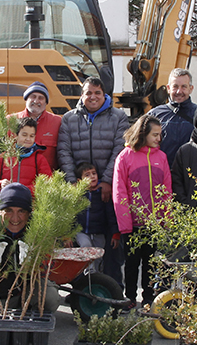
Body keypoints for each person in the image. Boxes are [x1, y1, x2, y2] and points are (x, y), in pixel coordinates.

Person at [57, 77, 129, 284]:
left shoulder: (118, 117)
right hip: (79, 193)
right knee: (81, 247)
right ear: (82, 95)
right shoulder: (69, 119)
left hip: (108, 192)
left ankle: (114, 289)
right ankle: (81, 291)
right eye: (88, 92)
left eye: (97, 92)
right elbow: (64, 151)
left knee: (112, 244)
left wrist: (106, 180)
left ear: (104, 94)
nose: (93, 97)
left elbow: (119, 150)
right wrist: (73, 183)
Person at [113, 115, 172, 305]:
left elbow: (166, 190)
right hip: (132, 225)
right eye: (155, 135)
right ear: (143, 134)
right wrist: (125, 224)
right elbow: (119, 192)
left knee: (150, 264)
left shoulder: (161, 157)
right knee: (131, 265)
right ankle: (130, 297)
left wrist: (166, 219)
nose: (158, 139)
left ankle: (148, 299)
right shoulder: (125, 156)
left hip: (154, 224)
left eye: (160, 135)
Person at [0, 183, 60, 313]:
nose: (15, 218)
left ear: (29, 213)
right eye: (8, 210)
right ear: (0, 211)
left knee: (49, 298)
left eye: (21, 211)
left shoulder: (39, 230)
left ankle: (30, 311)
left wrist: (34, 264)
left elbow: (49, 265)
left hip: (28, 290)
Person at [73, 162, 119, 273]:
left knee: (98, 256)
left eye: (94, 173)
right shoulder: (77, 195)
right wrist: (67, 236)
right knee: (86, 246)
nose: (92, 176)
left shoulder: (102, 194)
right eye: (87, 175)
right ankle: (88, 273)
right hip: (81, 232)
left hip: (98, 232)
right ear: (80, 180)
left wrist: (115, 233)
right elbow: (70, 215)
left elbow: (111, 215)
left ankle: (96, 278)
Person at [0, 117, 53, 191]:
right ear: (16, 135)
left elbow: (47, 183)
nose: (28, 139)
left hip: (30, 200)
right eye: (24, 135)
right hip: (6, 200)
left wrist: (22, 190)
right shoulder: (2, 158)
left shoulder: (39, 159)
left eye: (31, 136)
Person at [150, 68, 197, 166]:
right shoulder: (154, 115)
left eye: (184, 87)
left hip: (190, 173)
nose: (179, 91)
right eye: (175, 86)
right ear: (168, 88)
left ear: (191, 88)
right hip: (161, 172)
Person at [11, 81, 63, 170]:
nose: (36, 101)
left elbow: (63, 153)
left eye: (41, 98)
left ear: (46, 102)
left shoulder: (58, 122)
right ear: (26, 99)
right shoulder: (10, 121)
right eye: (33, 96)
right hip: (17, 178)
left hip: (47, 179)